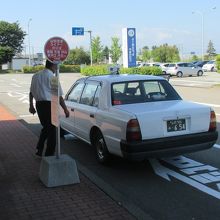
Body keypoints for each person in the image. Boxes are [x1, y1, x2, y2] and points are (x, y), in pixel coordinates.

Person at [29, 60, 69, 157]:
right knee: (52, 131)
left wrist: (31, 105)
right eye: (57, 65)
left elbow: (31, 92)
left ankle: (39, 149)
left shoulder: (35, 76)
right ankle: (49, 155)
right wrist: (65, 109)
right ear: (53, 65)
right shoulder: (52, 77)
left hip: (39, 105)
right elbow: (58, 96)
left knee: (46, 128)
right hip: (51, 104)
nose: (57, 67)